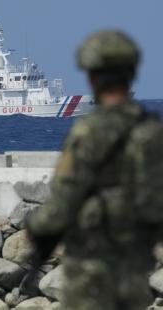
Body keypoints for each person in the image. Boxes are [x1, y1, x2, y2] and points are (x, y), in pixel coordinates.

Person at [26, 30, 162, 309]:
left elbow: (63, 202)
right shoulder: (153, 130)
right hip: (136, 270)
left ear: (91, 76)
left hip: (90, 276)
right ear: (132, 72)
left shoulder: (88, 131)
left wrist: (35, 228)